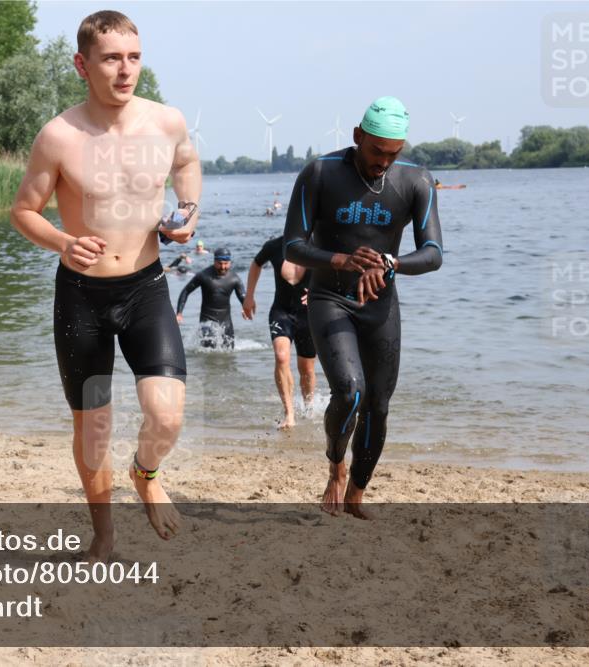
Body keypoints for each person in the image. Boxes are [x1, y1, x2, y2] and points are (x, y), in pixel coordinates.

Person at [10, 10, 201, 559]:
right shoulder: (59, 136)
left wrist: (187, 211)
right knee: (93, 429)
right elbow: (24, 211)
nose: (125, 70)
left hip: (145, 288)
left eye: (134, 57)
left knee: (166, 413)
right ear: (82, 64)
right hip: (81, 298)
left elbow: (186, 164)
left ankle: (146, 473)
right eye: (112, 59)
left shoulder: (165, 122)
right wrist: (63, 243)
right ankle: (104, 536)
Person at [283, 96, 443, 518]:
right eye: (376, 152)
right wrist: (340, 259)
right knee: (350, 393)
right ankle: (336, 465)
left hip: (380, 305)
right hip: (330, 298)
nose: (383, 163)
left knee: (379, 405)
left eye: (394, 154)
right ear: (357, 137)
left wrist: (391, 262)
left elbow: (432, 253)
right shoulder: (320, 173)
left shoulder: (417, 181)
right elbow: (293, 247)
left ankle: (355, 493)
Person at [242, 235, 316, 429]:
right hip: (281, 311)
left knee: (306, 369)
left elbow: (336, 270)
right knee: (281, 357)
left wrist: (319, 293)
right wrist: (249, 296)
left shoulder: (317, 245)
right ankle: (289, 413)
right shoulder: (274, 246)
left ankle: (308, 408)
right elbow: (256, 264)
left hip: (309, 314)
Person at [175, 248, 246, 350]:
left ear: (230, 262)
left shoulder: (234, 278)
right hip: (207, 321)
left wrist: (245, 307)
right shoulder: (204, 275)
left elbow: (242, 295)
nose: (223, 267)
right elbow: (186, 291)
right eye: (220, 263)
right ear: (214, 261)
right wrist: (179, 313)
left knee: (229, 352)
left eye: (226, 264)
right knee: (207, 352)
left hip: (226, 322)